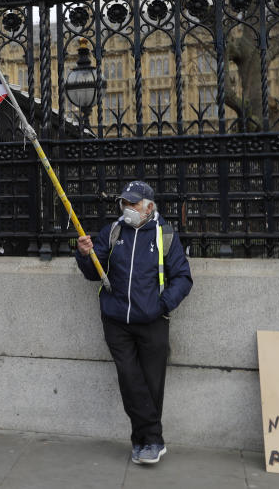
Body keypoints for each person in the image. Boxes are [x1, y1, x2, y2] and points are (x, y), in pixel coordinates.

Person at [75, 180, 193, 466]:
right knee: (130, 380)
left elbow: (183, 278)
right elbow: (94, 272)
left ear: (149, 206)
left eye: (133, 203)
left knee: (151, 384)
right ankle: (153, 440)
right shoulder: (113, 231)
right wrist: (85, 255)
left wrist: (160, 306)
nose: (127, 208)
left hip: (152, 322)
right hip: (116, 321)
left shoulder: (164, 234)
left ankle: (142, 443)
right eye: (125, 203)